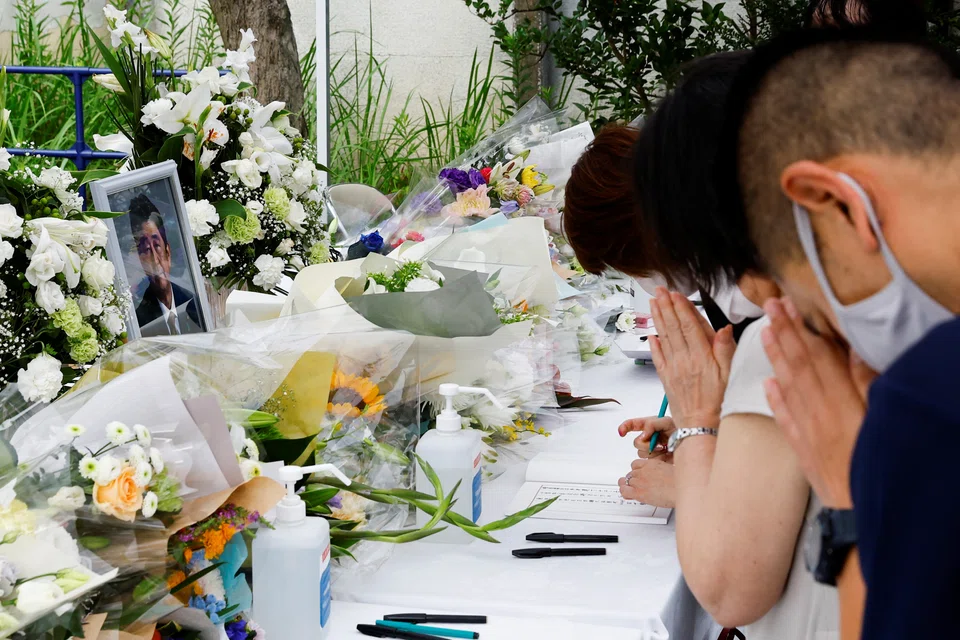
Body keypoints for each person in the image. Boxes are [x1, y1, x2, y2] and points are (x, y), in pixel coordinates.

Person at [565, 51, 839, 640]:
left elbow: (732, 586)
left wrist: (697, 431)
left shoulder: (789, 335)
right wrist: (719, 437)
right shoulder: (875, 314)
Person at [718, 29, 960, 639]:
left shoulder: (925, 402)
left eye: (819, 310)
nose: (844, 341)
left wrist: (854, 500)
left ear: (837, 203)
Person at [130, 194, 201, 337]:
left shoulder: (195, 304)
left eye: (156, 246)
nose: (155, 260)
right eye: (147, 249)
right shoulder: (140, 321)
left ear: (168, 252)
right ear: (140, 260)